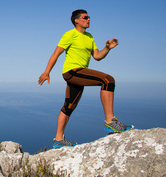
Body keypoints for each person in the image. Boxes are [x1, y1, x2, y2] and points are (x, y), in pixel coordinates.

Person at [38, 9, 132, 148]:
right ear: (76, 20)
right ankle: (110, 121)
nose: (88, 19)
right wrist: (47, 72)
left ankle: (58, 139)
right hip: (72, 72)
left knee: (69, 106)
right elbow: (56, 54)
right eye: (85, 17)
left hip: (80, 73)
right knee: (108, 80)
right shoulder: (70, 35)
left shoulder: (89, 37)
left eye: (89, 17)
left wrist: (107, 48)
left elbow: (97, 56)